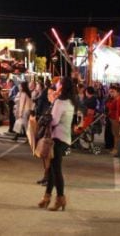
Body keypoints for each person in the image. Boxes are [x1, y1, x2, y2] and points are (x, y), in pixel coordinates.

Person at [37, 76, 76, 211]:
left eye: (58, 84)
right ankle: (46, 197)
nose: (56, 86)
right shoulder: (71, 102)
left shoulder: (60, 102)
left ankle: (60, 198)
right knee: (52, 170)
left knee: (56, 170)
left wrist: (47, 115)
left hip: (57, 138)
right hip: (65, 138)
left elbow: (53, 121)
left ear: (62, 87)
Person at [106, 84, 120, 158]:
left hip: (117, 119)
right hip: (115, 118)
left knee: (117, 135)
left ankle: (117, 149)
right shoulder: (117, 98)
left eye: (113, 92)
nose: (112, 93)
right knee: (115, 135)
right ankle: (116, 149)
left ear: (118, 92)